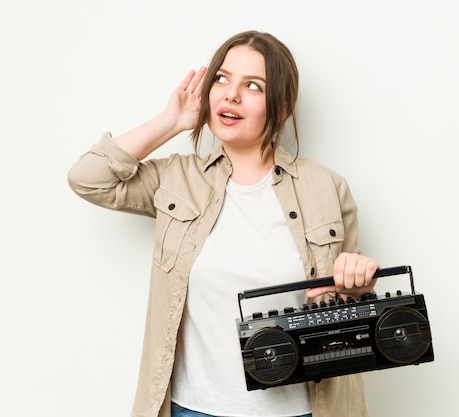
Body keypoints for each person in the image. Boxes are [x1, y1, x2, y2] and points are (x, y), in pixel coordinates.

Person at [68, 30, 380, 417]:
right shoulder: (177, 179)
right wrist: (173, 120)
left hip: (302, 409)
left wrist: (358, 286)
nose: (231, 95)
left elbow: (349, 315)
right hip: (193, 409)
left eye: (253, 85)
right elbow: (89, 177)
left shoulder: (326, 188)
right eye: (222, 78)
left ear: (280, 106)